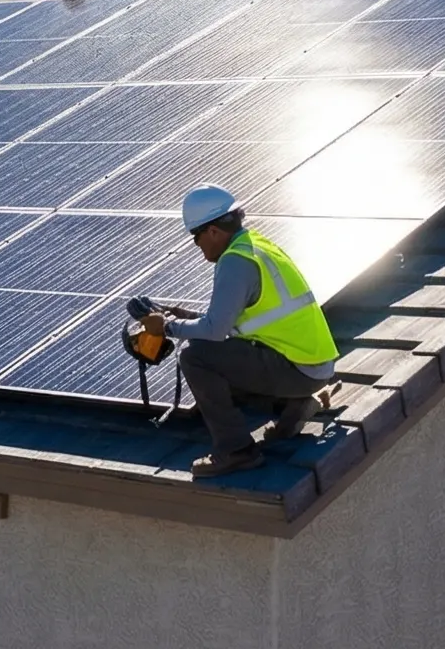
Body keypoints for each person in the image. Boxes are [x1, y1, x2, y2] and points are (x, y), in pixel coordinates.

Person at [141, 184, 339, 479]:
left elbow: (215, 331)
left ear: (212, 232)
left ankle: (237, 451)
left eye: (196, 239)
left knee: (195, 358)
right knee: (217, 359)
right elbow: (238, 325)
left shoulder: (235, 261)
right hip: (313, 365)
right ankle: (293, 404)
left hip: (297, 369)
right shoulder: (256, 246)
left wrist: (166, 327)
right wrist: (189, 318)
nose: (198, 247)